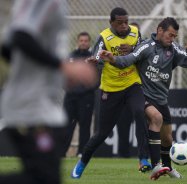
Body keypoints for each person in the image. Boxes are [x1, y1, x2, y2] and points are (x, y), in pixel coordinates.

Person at [0, 0, 96, 184]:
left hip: (41, 106)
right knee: (44, 178)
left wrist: (54, 75)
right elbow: (20, 37)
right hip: (29, 107)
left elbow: (8, 48)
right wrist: (62, 67)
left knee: (46, 177)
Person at [99, 17, 187, 180]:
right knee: (156, 118)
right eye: (170, 34)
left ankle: (167, 168)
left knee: (167, 139)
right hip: (142, 95)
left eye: (174, 36)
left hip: (161, 99)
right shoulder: (146, 46)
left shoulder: (173, 49)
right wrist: (113, 59)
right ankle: (155, 165)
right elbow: (127, 60)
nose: (172, 38)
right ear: (160, 30)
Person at [71, 7, 155, 179]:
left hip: (132, 84)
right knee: (101, 133)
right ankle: (82, 162)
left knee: (140, 112)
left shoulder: (135, 33)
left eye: (126, 22)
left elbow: (144, 50)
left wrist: (132, 49)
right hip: (111, 89)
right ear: (111, 23)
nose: (124, 26)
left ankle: (143, 158)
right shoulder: (104, 37)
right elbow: (97, 55)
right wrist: (95, 61)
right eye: (120, 23)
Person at [62, 32, 96, 157]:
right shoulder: (70, 57)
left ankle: (82, 152)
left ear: (89, 42)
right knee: (67, 125)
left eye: (86, 40)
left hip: (86, 98)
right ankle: (62, 152)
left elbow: (96, 79)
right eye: (81, 40)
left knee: (85, 126)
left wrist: (86, 89)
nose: (83, 43)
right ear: (77, 42)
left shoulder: (93, 58)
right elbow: (63, 76)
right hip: (70, 98)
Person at [116, 22, 141, 158]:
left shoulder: (145, 49)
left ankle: (144, 154)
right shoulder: (118, 49)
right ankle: (123, 155)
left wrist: (133, 49)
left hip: (138, 90)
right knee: (123, 125)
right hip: (122, 91)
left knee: (143, 124)